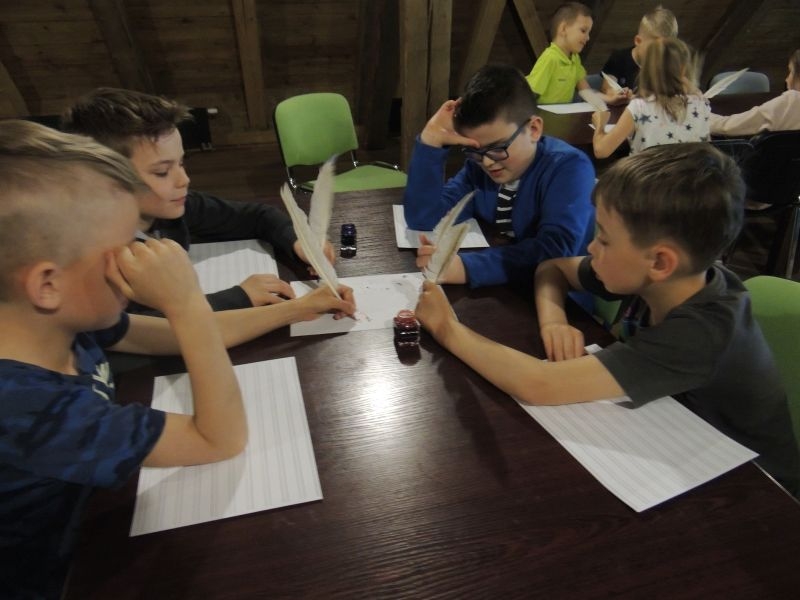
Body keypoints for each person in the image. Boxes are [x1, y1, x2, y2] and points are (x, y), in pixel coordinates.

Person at [414, 142, 800, 498]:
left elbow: (539, 384)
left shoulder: (702, 331)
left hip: (755, 491)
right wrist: (554, 321)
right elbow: (552, 268)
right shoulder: (665, 275)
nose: (591, 247)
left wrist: (447, 328)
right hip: (677, 436)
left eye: (604, 239)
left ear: (660, 261)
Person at [0, 119, 248, 598]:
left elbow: (158, 337)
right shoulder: (30, 412)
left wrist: (296, 309)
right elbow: (219, 439)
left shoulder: (55, 325)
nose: (140, 260)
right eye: (124, 249)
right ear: (47, 285)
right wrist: (186, 303)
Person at [61, 87, 336, 312]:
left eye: (181, 163)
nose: (184, 179)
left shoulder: (172, 208)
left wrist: (297, 242)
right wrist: (238, 298)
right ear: (104, 180)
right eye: (162, 172)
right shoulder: (95, 258)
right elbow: (144, 326)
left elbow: (257, 216)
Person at [403, 63, 595, 289]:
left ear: (534, 129)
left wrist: (467, 268)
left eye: (498, 148)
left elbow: (555, 250)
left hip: (560, 295)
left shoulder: (569, 168)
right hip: (506, 287)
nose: (486, 162)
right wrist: (430, 141)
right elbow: (426, 218)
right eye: (475, 150)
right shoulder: (478, 167)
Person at [591, 37, 711, 159]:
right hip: (691, 171)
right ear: (683, 68)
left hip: (648, 171)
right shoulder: (701, 105)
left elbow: (601, 151)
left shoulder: (639, 107)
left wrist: (600, 125)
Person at [526, 2, 628, 105]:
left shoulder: (575, 59)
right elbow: (529, 95)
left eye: (589, 33)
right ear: (563, 29)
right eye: (583, 31)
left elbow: (586, 91)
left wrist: (611, 99)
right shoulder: (550, 58)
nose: (588, 38)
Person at [710, 49, 800, 136]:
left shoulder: (792, 102)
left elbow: (727, 127)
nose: (786, 79)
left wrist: (703, 116)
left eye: (790, 72)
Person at [600, 5, 679, 95]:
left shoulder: (666, 67)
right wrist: (618, 94)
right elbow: (606, 89)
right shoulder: (619, 58)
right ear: (638, 41)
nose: (659, 55)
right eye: (654, 50)